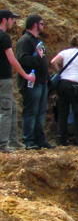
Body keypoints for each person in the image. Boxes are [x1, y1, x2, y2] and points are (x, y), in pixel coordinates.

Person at [16, 14, 54, 150]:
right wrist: (38, 59)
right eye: (42, 23)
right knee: (31, 111)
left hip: (41, 81)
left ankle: (40, 140)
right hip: (31, 82)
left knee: (40, 112)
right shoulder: (25, 40)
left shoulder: (37, 40)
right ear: (35, 25)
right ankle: (29, 141)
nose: (43, 26)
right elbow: (22, 59)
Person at [0, 9, 35, 153]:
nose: (13, 22)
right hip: (3, 79)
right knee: (6, 110)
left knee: (13, 108)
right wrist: (26, 76)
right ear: (4, 20)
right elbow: (12, 60)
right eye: (11, 19)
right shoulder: (4, 37)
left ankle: (12, 140)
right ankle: (3, 144)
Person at [51, 34, 78, 147]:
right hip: (74, 84)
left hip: (62, 83)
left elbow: (53, 61)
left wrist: (60, 71)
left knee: (63, 112)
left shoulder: (65, 52)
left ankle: (61, 139)